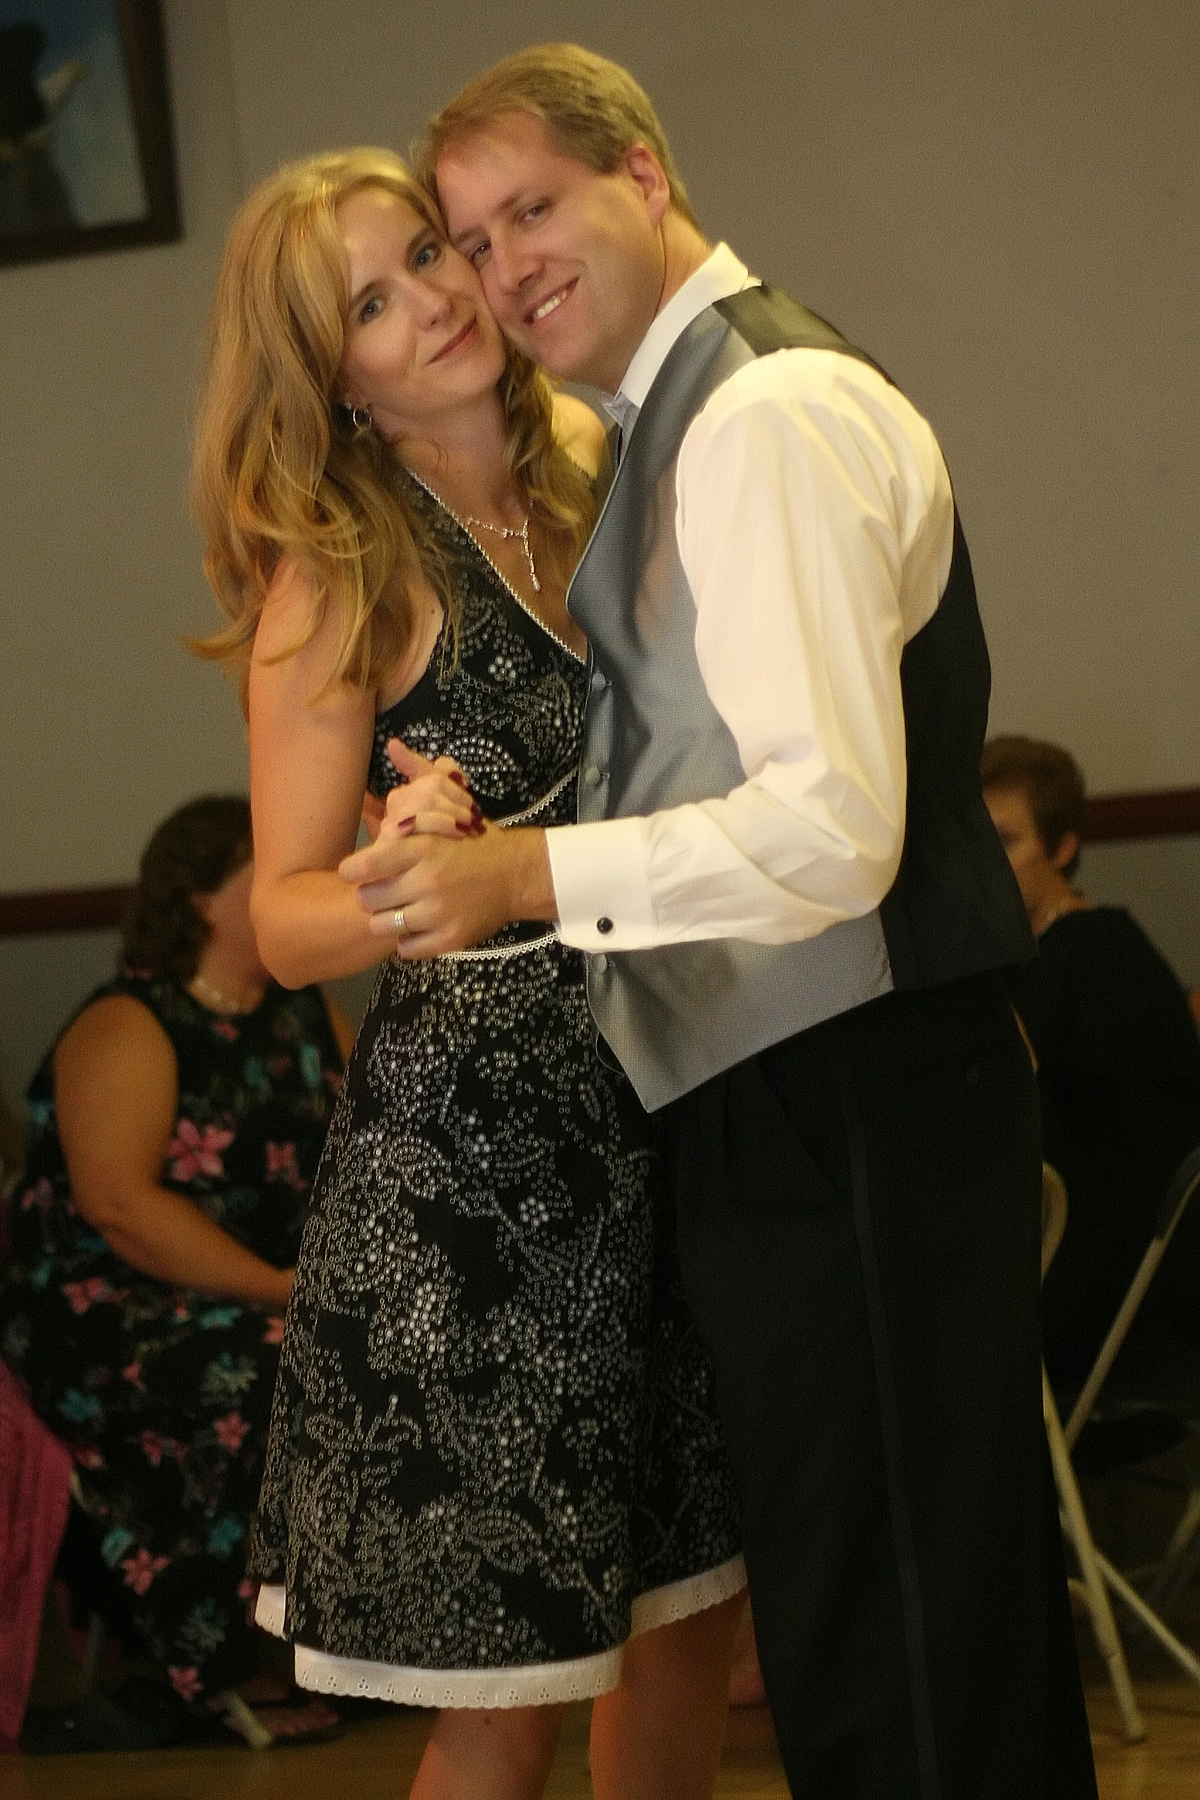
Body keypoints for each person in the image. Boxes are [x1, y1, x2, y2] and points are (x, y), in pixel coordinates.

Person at [339, 45, 1101, 1797]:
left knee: (902, 1641)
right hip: (811, 1087)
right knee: (886, 1626)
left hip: (857, 1080)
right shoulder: (677, 424)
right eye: (471, 239)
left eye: (533, 207)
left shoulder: (760, 418)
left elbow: (830, 831)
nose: (503, 266)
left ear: (644, 176)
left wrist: (527, 879)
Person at [191, 148, 745, 1800]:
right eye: (371, 304)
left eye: (427, 254)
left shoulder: (605, 466)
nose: (434, 303)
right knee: (508, 1690)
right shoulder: (340, 571)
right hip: (475, 1185)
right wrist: (396, 880)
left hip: (675, 1117)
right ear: (333, 378)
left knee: (687, 1624)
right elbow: (284, 921)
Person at [0, 796, 350, 1736]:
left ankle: (362, 1642)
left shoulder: (301, 1010)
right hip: (108, 1304)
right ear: (200, 898)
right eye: (267, 871)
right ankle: (223, 1664)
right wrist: (284, 1288)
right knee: (271, 1364)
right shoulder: (131, 1019)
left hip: (270, 1288)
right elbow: (121, 1207)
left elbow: (368, 1140)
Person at [982, 735, 1200, 1385]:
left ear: (1063, 849)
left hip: (1126, 1289)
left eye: (1007, 841)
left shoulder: (1099, 953)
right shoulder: (1022, 959)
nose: (985, 863)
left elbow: (1119, 1162)